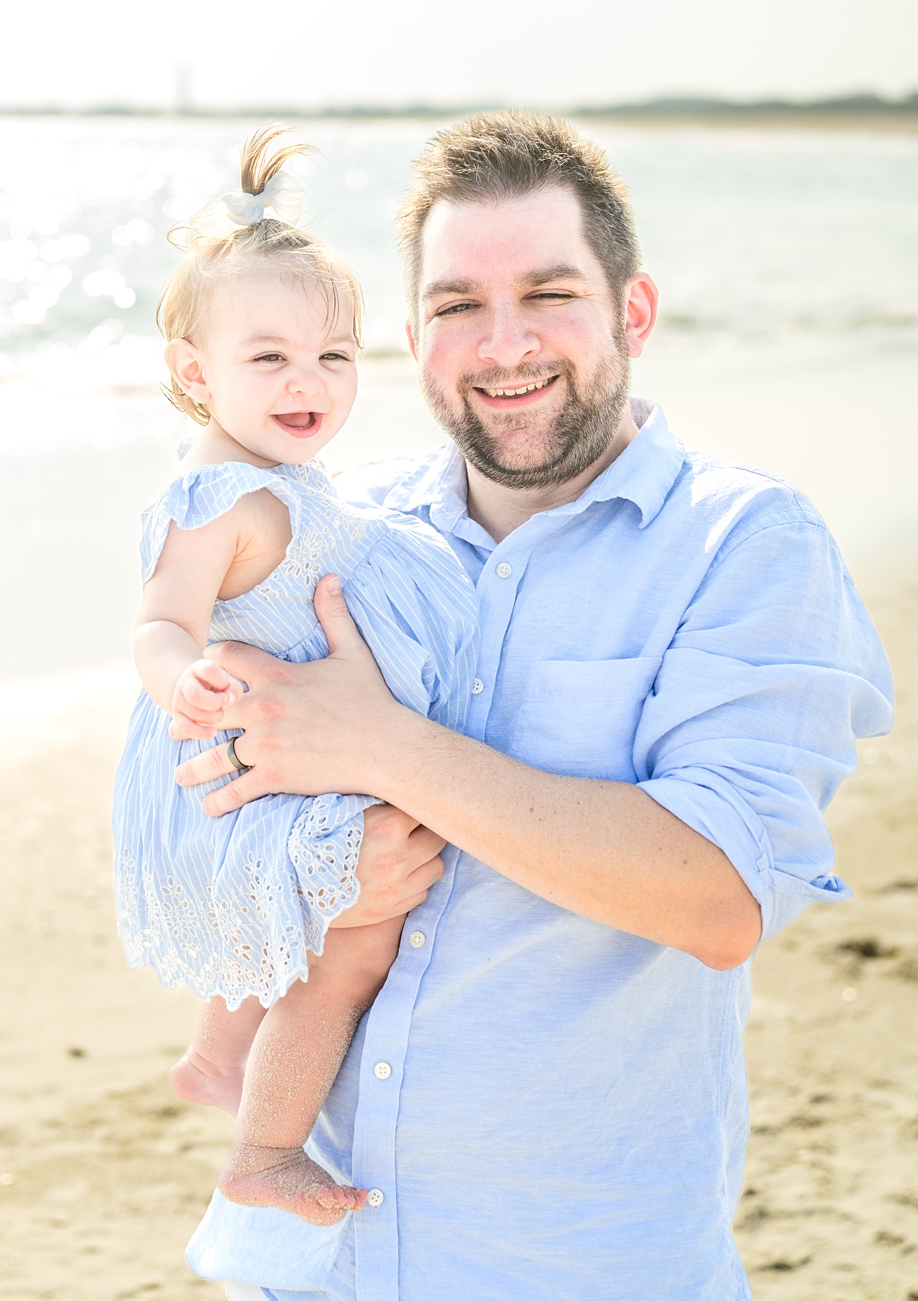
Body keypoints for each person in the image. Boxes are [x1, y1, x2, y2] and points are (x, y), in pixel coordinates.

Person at [172, 112, 893, 1299]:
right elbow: (210, 808)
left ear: (634, 312)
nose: (502, 343)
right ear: (414, 338)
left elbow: (719, 896)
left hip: (576, 1261)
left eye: (548, 292)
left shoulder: (745, 543)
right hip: (319, 1265)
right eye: (458, 305)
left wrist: (387, 747)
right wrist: (307, 880)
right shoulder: (342, 533)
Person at [115, 129, 476, 1226]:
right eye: (267, 358)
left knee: (314, 924)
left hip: (294, 746)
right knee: (349, 948)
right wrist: (184, 680)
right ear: (196, 374)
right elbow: (160, 621)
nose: (307, 381)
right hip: (248, 755)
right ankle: (266, 1148)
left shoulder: (288, 479)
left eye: (334, 354)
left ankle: (221, 1050)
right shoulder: (220, 498)